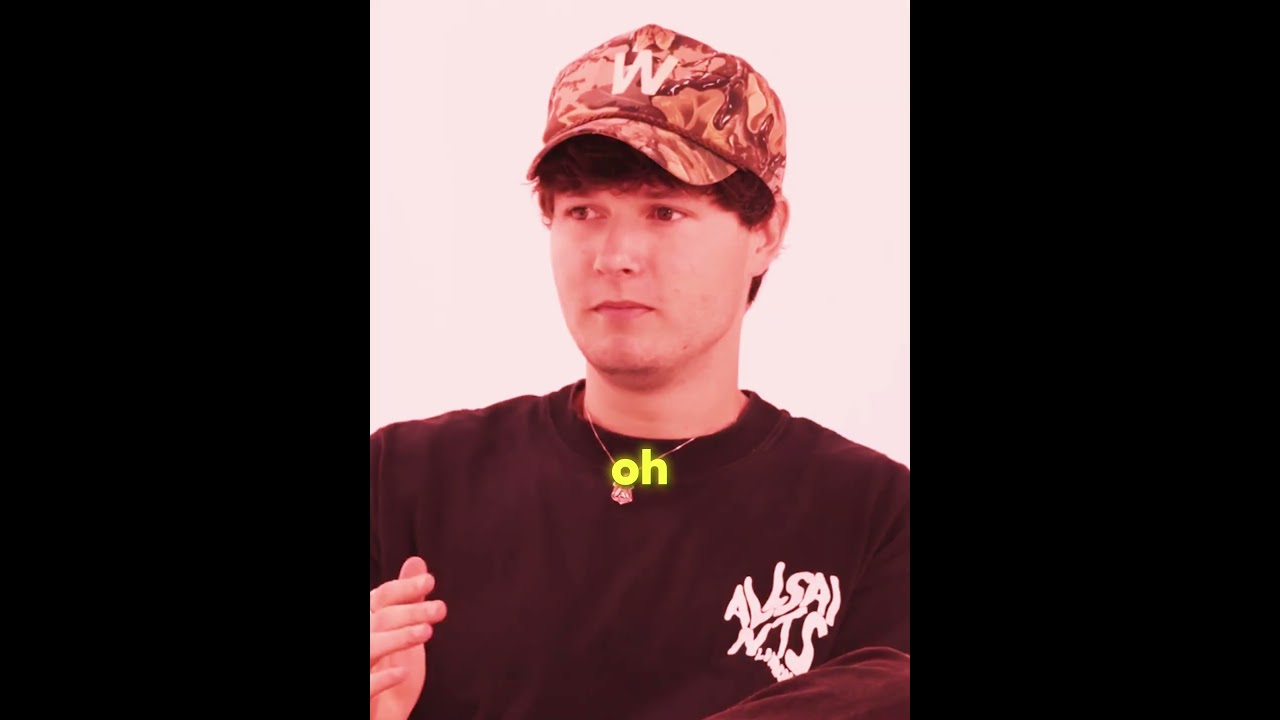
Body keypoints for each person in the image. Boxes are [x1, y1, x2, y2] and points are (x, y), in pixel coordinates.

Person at [370, 23, 910, 720]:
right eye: (584, 211)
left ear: (765, 232)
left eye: (665, 212)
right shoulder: (403, 483)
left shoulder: (876, 518)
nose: (616, 256)